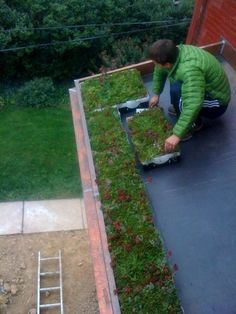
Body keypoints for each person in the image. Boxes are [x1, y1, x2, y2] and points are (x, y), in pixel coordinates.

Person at [148, 39, 231, 153]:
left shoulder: (189, 70)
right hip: (199, 87)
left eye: (155, 63)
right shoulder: (175, 53)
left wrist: (177, 134)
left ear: (167, 64)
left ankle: (195, 124)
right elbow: (159, 69)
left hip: (217, 102)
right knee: (176, 84)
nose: (155, 65)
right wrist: (156, 94)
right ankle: (179, 107)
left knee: (179, 93)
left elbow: (193, 104)